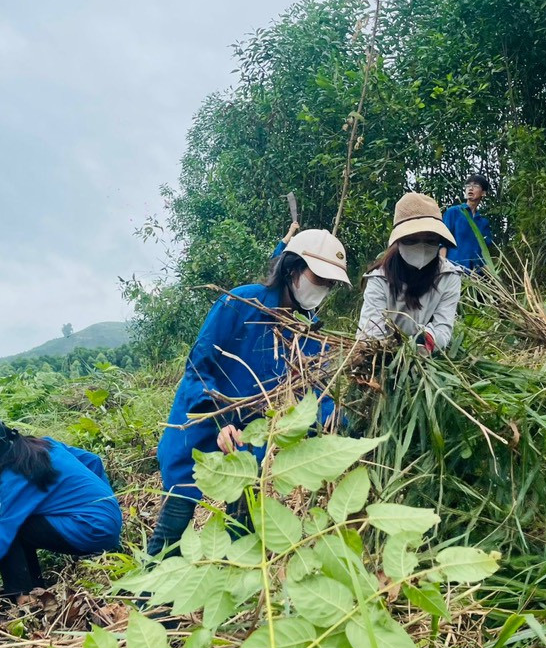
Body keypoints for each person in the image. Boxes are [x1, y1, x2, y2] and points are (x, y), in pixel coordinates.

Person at [148, 229, 351, 557]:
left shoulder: (307, 332)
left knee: (243, 524)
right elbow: (199, 367)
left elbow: (314, 396)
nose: (323, 289)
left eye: (331, 283)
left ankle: (233, 594)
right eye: (319, 278)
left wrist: (338, 421)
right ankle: (151, 601)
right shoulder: (241, 304)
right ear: (292, 270)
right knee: (176, 519)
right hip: (200, 422)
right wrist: (219, 421)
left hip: (249, 438)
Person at [0, 414, 122, 600]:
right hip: (108, 521)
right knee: (16, 525)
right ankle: (36, 590)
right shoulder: (43, 445)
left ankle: (23, 598)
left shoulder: (15, 477)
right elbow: (93, 461)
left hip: (91, 529)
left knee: (10, 531)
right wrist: (106, 504)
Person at [357, 192, 462, 353]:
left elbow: (443, 327)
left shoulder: (448, 276)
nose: (421, 247)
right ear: (398, 242)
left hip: (428, 354)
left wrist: (424, 341)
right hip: (381, 355)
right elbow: (370, 334)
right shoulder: (379, 278)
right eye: (411, 240)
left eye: (430, 240)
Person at [443, 174, 495, 273]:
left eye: (475, 185)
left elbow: (484, 253)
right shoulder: (454, 212)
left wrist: (492, 275)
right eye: (468, 186)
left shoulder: (483, 222)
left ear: (483, 193)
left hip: (475, 276)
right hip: (452, 270)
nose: (470, 188)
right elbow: (443, 241)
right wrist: (441, 266)